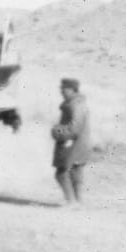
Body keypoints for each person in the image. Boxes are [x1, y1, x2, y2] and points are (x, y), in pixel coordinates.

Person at [51, 77, 92, 206]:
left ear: (72, 90)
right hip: (78, 143)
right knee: (75, 172)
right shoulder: (75, 103)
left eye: (64, 89)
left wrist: (57, 131)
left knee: (61, 173)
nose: (61, 91)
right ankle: (77, 202)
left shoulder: (75, 105)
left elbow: (74, 128)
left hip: (72, 144)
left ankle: (72, 202)